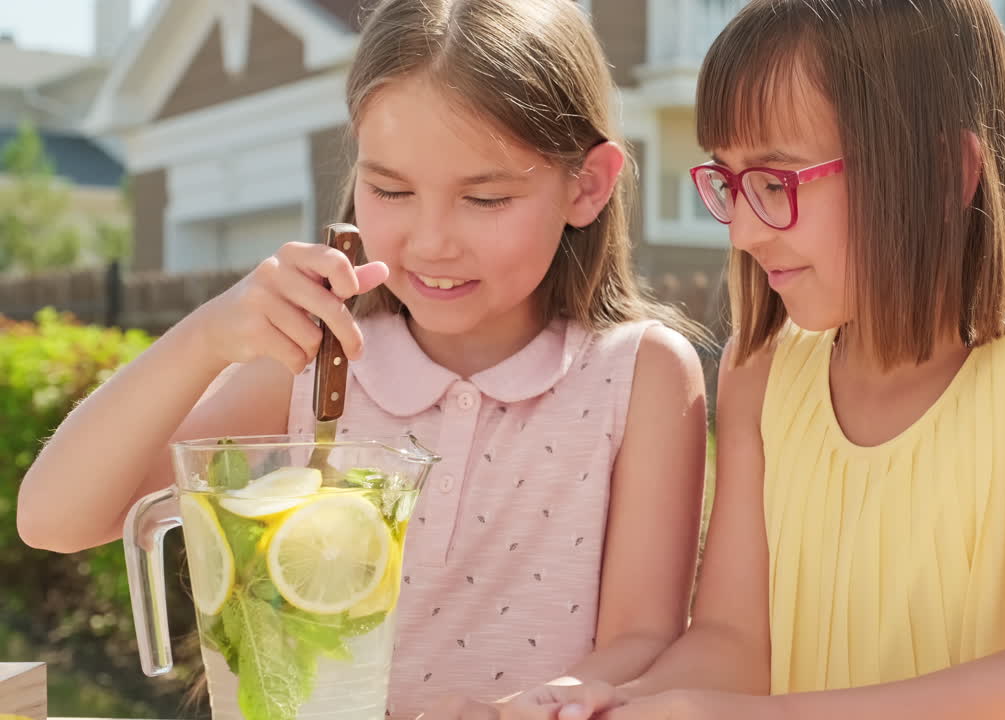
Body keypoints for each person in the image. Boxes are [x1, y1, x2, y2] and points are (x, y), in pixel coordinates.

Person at [17, 1, 709, 717]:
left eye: (486, 197)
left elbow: (643, 638)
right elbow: (53, 519)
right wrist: (205, 337)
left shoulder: (640, 374)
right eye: (390, 189)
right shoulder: (312, 363)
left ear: (586, 185)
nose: (431, 240)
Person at [538, 0, 1005, 718]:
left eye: (776, 183)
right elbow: (734, 644)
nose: (743, 234)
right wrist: (599, 704)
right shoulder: (759, 371)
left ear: (943, 172)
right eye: (730, 183)